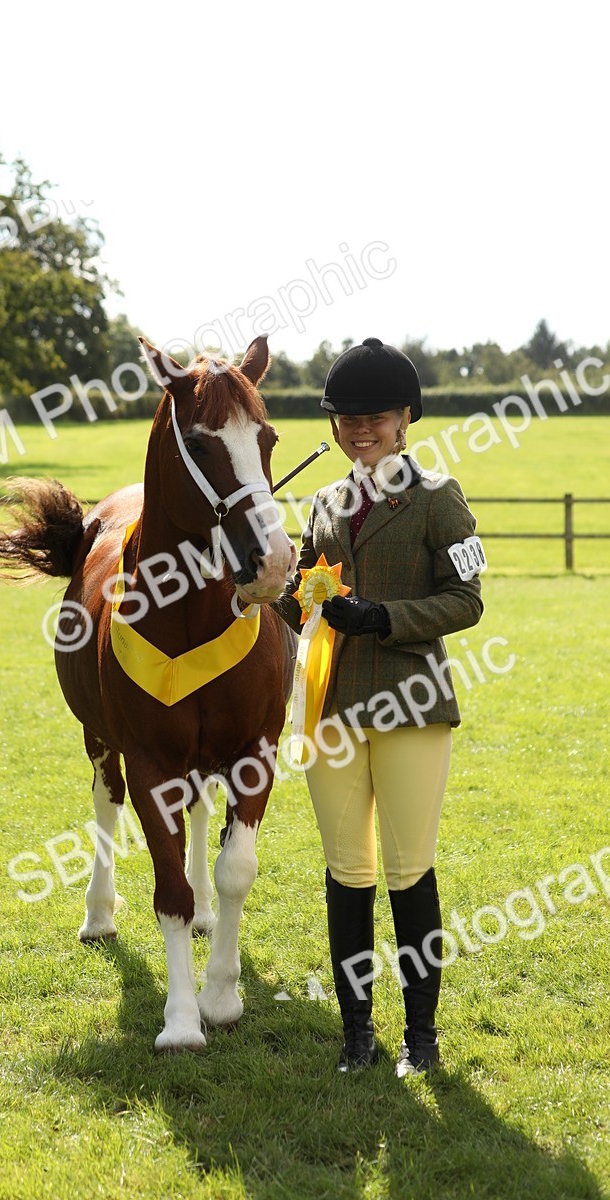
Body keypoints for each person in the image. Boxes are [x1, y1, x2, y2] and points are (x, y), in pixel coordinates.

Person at [273, 337, 484, 1076]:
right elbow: (302, 594)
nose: (360, 429)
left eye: (376, 416)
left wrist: (385, 618)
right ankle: (355, 1033)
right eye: (347, 417)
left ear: (405, 420)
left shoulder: (437, 498)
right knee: (345, 873)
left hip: (412, 706)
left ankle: (420, 1038)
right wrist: (270, 585)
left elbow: (467, 600)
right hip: (329, 709)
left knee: (408, 871)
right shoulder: (323, 504)